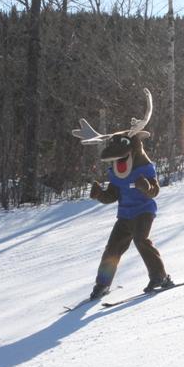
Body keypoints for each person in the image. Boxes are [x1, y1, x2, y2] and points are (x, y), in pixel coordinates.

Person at [72, 89, 173, 300]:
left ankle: (160, 276)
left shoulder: (144, 168)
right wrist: (99, 193)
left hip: (144, 212)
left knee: (141, 240)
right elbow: (113, 195)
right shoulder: (117, 172)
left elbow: (154, 192)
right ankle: (102, 285)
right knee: (113, 248)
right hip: (125, 215)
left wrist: (145, 186)